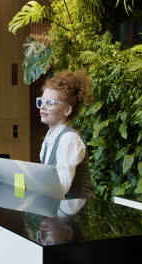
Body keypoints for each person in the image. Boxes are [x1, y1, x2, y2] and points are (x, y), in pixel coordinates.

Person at [36, 70, 94, 199]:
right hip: (61, 212)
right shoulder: (50, 138)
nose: (43, 107)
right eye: (41, 101)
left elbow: (61, 186)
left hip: (78, 214)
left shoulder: (70, 139)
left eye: (50, 103)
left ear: (67, 110)